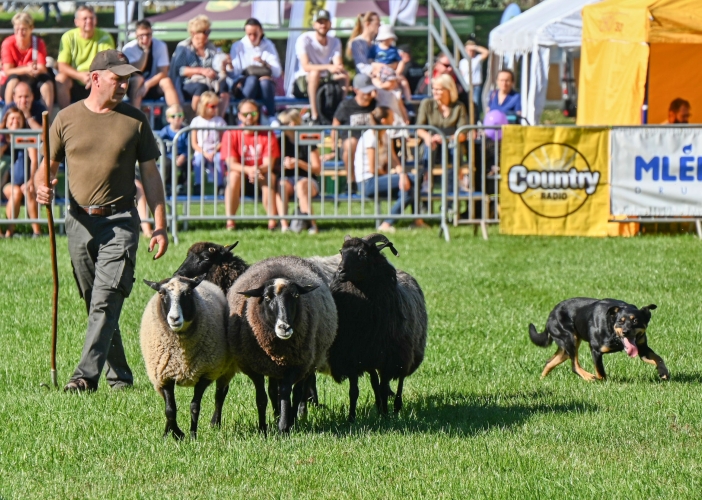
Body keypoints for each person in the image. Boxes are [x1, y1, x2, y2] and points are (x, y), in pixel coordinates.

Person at [35, 50, 168, 392]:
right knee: (95, 301)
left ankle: (83, 377)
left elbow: (151, 177)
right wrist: (40, 188)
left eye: (127, 79)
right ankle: (120, 376)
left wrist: (160, 225)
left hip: (121, 222)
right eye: (117, 78)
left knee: (107, 297)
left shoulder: (135, 120)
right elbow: (45, 171)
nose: (124, 84)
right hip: (78, 222)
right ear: (95, 78)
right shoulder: (64, 119)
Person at [332, 73, 404, 182]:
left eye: (371, 90)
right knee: (351, 143)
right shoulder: (346, 105)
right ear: (356, 90)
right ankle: (351, 182)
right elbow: (335, 125)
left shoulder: (376, 104)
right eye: (366, 90)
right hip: (354, 145)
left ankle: (384, 180)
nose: (370, 93)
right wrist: (334, 146)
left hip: (373, 144)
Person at [221, 99, 279, 231]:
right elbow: (231, 163)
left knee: (269, 177)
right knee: (234, 176)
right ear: (239, 115)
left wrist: (257, 170)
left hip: (260, 173)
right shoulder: (231, 133)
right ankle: (230, 221)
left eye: (253, 114)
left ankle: (272, 222)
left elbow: (268, 164)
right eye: (245, 114)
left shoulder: (268, 134)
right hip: (240, 174)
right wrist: (249, 170)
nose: (249, 117)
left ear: (258, 114)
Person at [354, 106, 413, 233]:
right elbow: (372, 169)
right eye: (392, 116)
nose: (394, 119)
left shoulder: (385, 134)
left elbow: (394, 159)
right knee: (413, 179)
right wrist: (398, 176)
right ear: (384, 120)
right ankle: (389, 223)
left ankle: (390, 223)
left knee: (409, 187)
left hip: (379, 179)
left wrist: (401, 174)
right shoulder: (370, 137)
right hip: (368, 182)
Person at [292, 9, 348, 124]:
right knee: (314, 74)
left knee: (345, 75)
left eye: (325, 21)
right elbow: (306, 66)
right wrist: (328, 67)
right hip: (304, 81)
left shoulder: (335, 41)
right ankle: (314, 115)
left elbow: (338, 64)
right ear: (314, 24)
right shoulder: (304, 39)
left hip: (325, 78)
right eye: (320, 22)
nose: (323, 25)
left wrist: (336, 69)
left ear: (330, 24)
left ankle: (341, 113)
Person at [55, 5, 115, 109]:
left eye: (91, 18)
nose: (89, 21)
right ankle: (66, 118)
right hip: (75, 78)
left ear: (96, 20)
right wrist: (80, 76)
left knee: (110, 77)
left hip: (97, 77)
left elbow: (109, 63)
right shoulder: (68, 37)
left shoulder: (105, 37)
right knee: (60, 79)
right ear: (76, 22)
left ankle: (105, 117)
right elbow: (62, 66)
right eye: (85, 18)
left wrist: (95, 76)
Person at [169, 15, 229, 117]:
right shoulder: (184, 48)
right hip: (189, 83)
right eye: (205, 32)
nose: (207, 35)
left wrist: (224, 64)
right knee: (201, 87)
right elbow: (179, 70)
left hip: (210, 80)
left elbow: (218, 67)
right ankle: (197, 118)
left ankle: (219, 120)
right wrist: (201, 71)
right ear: (194, 33)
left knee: (224, 86)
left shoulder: (211, 48)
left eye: (208, 32)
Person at [276, 109, 321, 234]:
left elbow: (317, 169)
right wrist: (283, 166)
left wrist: (298, 163)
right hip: (287, 179)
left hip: (308, 180)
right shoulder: (279, 141)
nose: (281, 126)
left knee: (301, 186)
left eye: (284, 123)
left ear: (293, 123)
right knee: (282, 185)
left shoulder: (308, 139)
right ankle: (284, 226)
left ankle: (313, 225)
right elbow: (274, 167)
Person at [1, 12, 54, 113]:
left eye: (24, 29)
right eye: (17, 29)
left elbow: (42, 67)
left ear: (31, 28)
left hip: (33, 77)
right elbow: (7, 70)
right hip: (14, 79)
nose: (20, 33)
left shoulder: (38, 42)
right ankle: (9, 115)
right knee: (13, 82)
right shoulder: (8, 43)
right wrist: (27, 69)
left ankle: (46, 119)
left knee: (47, 84)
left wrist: (31, 69)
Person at [229, 17, 282, 118]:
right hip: (245, 87)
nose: (252, 38)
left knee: (265, 82)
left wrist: (265, 64)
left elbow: (277, 72)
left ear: (261, 32)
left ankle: (271, 116)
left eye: (255, 34)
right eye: (249, 34)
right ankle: (244, 115)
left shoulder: (268, 45)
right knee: (252, 80)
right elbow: (235, 73)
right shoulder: (238, 46)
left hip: (263, 88)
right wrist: (230, 66)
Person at [122, 19, 179, 109]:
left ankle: (176, 114)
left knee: (166, 81)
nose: (145, 38)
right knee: (138, 79)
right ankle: (137, 119)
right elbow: (137, 70)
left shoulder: (160, 45)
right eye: (141, 35)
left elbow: (163, 72)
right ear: (136, 35)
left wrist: (147, 85)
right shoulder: (128, 48)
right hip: (135, 87)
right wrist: (145, 51)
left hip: (152, 84)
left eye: (148, 35)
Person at [0, 108, 39, 237]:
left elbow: (34, 160)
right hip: (4, 183)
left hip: (24, 182)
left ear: (23, 122)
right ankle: (8, 232)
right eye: (12, 118)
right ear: (6, 122)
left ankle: (35, 232)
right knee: (15, 191)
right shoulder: (1, 138)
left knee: (25, 190)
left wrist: (31, 181)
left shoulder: (26, 137)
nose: (15, 121)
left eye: (18, 119)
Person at [190, 91, 226, 193]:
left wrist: (215, 151)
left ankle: (220, 185)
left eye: (216, 106)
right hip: (201, 151)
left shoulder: (220, 121)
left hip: (216, 150)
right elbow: (194, 143)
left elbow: (224, 140)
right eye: (212, 106)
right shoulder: (196, 121)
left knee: (219, 159)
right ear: (204, 106)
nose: (215, 109)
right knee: (198, 160)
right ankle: (198, 185)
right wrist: (204, 153)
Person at [368, 25, 412, 101]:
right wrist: (378, 67)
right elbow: (370, 61)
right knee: (376, 83)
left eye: (390, 39)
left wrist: (397, 72)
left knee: (404, 82)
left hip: (392, 73)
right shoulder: (374, 49)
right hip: (378, 73)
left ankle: (408, 101)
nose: (388, 40)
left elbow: (401, 61)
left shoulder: (394, 50)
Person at [157, 103, 189, 193]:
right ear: (168, 119)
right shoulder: (165, 131)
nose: (177, 118)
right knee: (166, 163)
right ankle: (167, 184)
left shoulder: (185, 131)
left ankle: (181, 184)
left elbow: (188, 146)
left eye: (180, 115)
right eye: (173, 116)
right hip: (168, 155)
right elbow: (160, 144)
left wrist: (184, 155)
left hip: (181, 155)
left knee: (188, 164)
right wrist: (172, 157)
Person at [458, 39, 489, 119]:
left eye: (472, 50)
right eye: (469, 50)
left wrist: (474, 47)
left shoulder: (477, 59)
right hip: (466, 87)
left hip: (476, 86)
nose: (471, 52)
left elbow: (486, 52)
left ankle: (477, 121)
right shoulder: (462, 62)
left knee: (476, 105)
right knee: (466, 104)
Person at [346, 11, 380, 76]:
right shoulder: (356, 42)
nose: (380, 26)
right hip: (365, 77)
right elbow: (362, 65)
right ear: (367, 24)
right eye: (377, 23)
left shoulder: (377, 42)